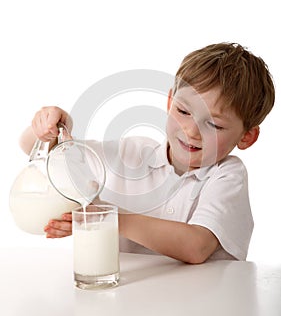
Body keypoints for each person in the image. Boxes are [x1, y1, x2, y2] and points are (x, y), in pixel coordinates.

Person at [19, 43, 275, 264]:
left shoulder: (226, 175)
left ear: (246, 137)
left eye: (214, 125)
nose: (190, 131)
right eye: (183, 111)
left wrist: (107, 217)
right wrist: (47, 129)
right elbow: (35, 148)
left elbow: (196, 247)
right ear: (169, 101)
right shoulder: (132, 153)